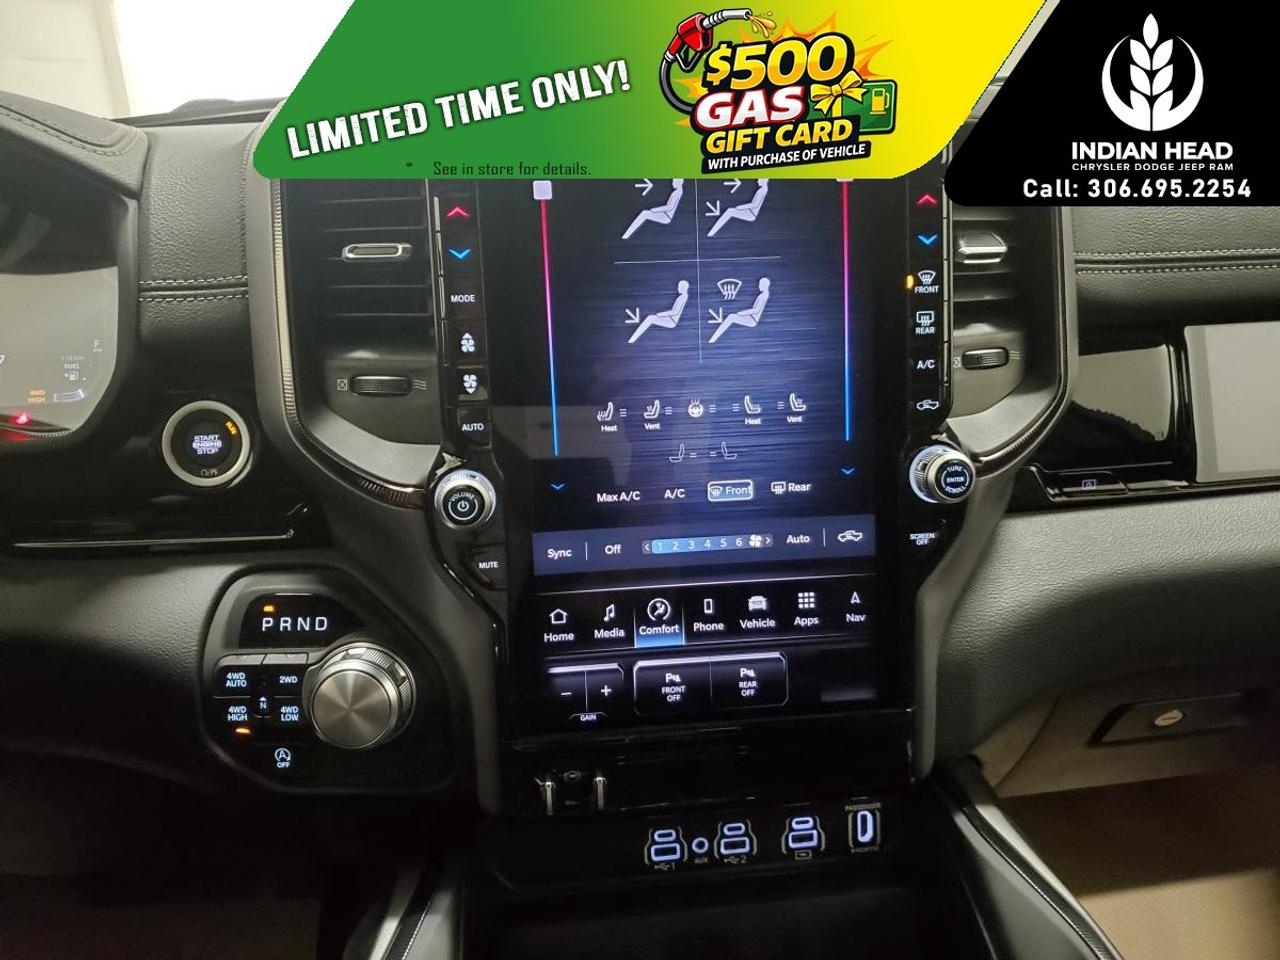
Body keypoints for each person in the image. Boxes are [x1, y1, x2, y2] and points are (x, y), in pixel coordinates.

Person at [709, 277, 769, 343]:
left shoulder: (763, 295)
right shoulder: (764, 294)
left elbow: (756, 310)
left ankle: (714, 338)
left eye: (760, 284)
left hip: (752, 319)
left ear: (764, 285)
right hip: (750, 317)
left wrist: (741, 313)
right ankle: (714, 337)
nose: (759, 286)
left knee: (731, 317)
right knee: (731, 316)